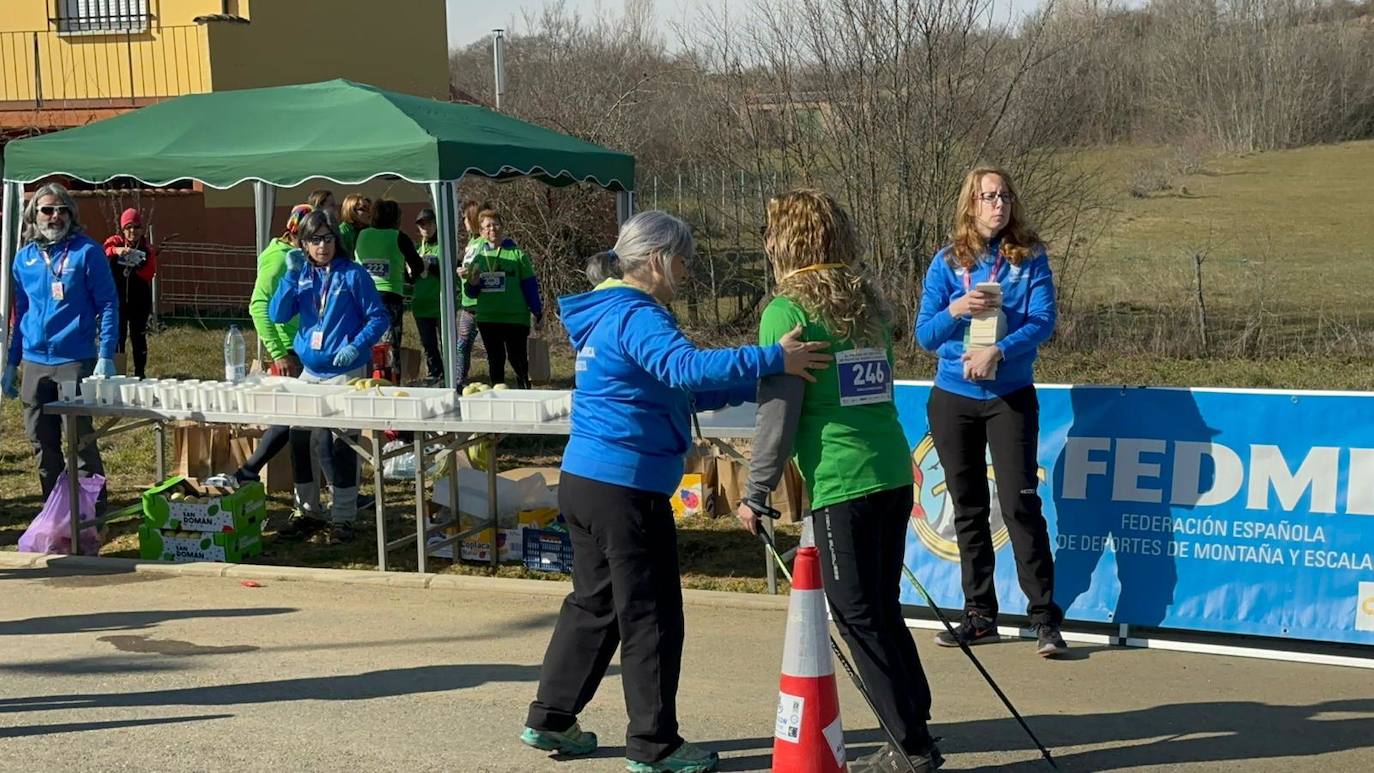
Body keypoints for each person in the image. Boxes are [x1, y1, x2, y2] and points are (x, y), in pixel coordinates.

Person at [520, 211, 831, 773]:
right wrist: (770, 358)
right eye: (684, 259)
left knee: (595, 605)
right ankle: (654, 744)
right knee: (653, 615)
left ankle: (551, 718)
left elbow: (676, 389)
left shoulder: (607, 313)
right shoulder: (638, 314)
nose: (687, 272)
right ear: (659, 259)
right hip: (626, 488)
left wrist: (761, 376)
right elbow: (685, 368)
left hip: (585, 480)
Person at [735, 189, 941, 773]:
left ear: (789, 240)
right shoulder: (866, 303)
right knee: (880, 608)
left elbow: (778, 412)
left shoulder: (786, 312)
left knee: (856, 614)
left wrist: (756, 490)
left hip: (842, 479)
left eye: (773, 234)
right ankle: (917, 726)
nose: (768, 243)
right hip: (890, 469)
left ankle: (911, 744)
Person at [914, 166, 1066, 658]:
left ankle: (1044, 618)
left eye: (1004, 196)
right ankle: (979, 615)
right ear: (971, 204)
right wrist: (957, 309)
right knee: (969, 508)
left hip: (1009, 396)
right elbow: (924, 335)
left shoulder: (1030, 257)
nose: (998, 204)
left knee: (1021, 505)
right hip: (953, 398)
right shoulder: (945, 262)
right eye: (988, 196)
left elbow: (1044, 321)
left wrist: (998, 351)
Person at [269, 209, 389, 543]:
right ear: (302, 243)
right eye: (313, 239)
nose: (321, 246)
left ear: (336, 239)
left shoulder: (354, 275)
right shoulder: (301, 274)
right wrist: (289, 277)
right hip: (311, 370)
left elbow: (378, 319)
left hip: (345, 369)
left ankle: (344, 516)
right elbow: (277, 314)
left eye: (327, 238)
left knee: (340, 441)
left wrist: (357, 345)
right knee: (300, 436)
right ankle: (307, 510)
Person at [2, 183, 118, 514]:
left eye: (62, 209)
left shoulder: (87, 252)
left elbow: (107, 303)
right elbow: (21, 314)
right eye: (47, 209)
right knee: (42, 444)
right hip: (34, 362)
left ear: (71, 214)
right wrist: (12, 363)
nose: (55, 216)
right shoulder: (24, 259)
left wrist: (105, 354)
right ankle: (56, 516)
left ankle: (92, 517)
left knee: (79, 442)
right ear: (33, 214)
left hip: (75, 361)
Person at [207, 204, 317, 515]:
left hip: (306, 348)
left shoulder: (303, 258)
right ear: (297, 233)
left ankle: (255, 473)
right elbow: (258, 306)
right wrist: (278, 352)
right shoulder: (279, 258)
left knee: (300, 422)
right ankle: (250, 472)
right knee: (293, 421)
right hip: (289, 352)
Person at [464, 209, 541, 388]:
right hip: (488, 318)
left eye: (496, 224)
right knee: (495, 359)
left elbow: (529, 285)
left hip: (515, 317)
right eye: (487, 226)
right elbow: (470, 293)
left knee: (518, 359)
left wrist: (537, 310)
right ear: (482, 232)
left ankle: (525, 393)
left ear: (503, 226)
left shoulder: (517, 254)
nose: (492, 229)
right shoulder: (478, 258)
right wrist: (473, 283)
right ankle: (497, 396)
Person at [355, 199, 424, 362]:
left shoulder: (362, 234)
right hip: (390, 295)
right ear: (396, 218)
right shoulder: (399, 237)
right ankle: (390, 380)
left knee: (367, 341)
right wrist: (410, 278)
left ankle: (368, 376)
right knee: (390, 345)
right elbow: (418, 266)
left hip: (363, 295)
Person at [102, 207, 157, 379]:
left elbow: (150, 273)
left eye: (136, 227)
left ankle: (140, 373)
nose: (133, 231)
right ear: (123, 229)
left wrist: (138, 264)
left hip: (139, 300)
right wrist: (117, 252)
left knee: (138, 337)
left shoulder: (146, 248)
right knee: (118, 337)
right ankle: (119, 374)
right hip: (117, 300)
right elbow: (103, 251)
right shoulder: (115, 242)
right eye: (129, 227)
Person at [453, 199, 488, 387]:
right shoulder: (471, 241)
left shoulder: (485, 242)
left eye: (465, 218)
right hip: (467, 305)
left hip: (482, 304)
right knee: (462, 345)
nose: (463, 221)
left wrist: (472, 272)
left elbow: (486, 267)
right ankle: (459, 380)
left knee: (487, 347)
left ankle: (496, 379)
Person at [411, 207, 444, 383]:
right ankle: (435, 374)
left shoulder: (443, 247)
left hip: (439, 303)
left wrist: (429, 266)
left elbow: (447, 272)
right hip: (420, 304)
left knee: (445, 343)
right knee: (428, 344)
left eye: (429, 223)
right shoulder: (417, 248)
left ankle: (451, 375)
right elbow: (409, 277)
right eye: (422, 225)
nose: (426, 228)